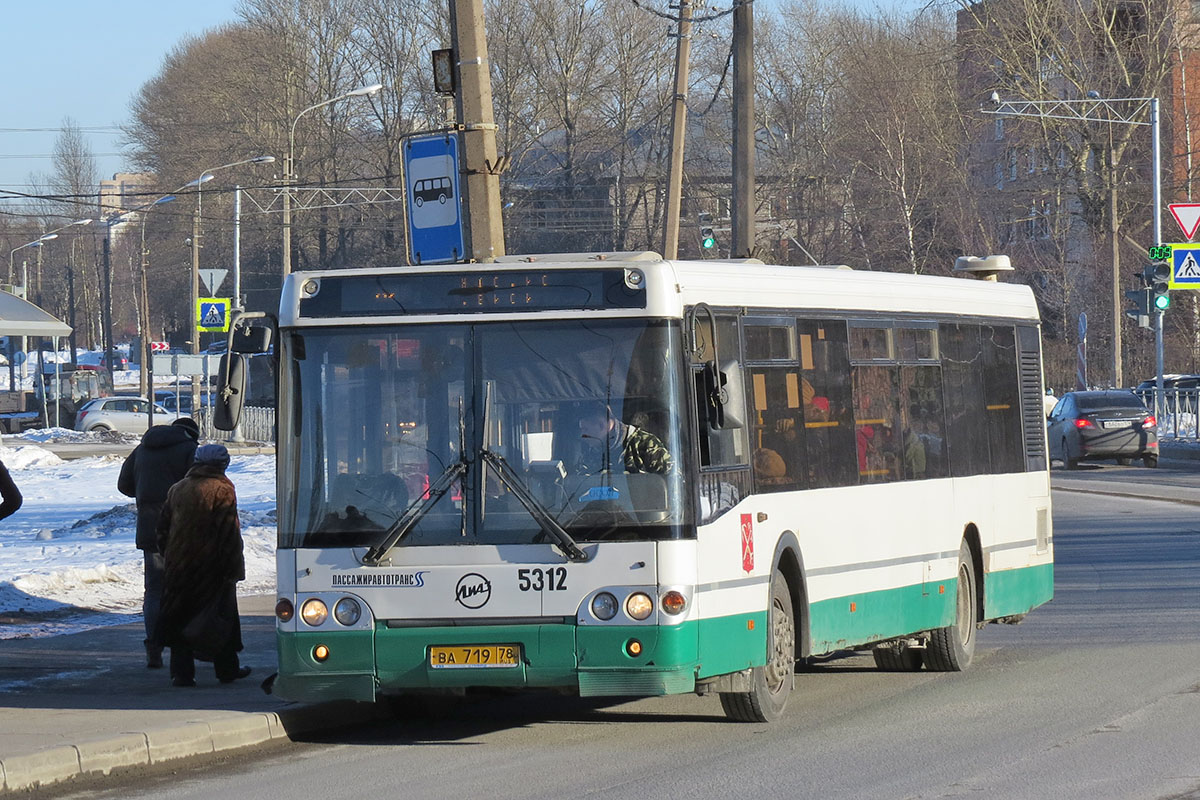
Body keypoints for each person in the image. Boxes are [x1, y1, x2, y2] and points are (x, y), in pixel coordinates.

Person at [154, 444, 251, 687]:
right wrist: (233, 569)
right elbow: (228, 532)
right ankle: (227, 670)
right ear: (222, 465)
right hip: (211, 567)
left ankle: (181, 674)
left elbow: (162, 529)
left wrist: (171, 556)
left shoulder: (178, 488)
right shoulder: (222, 489)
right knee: (220, 618)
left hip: (179, 566)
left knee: (180, 618)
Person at [117, 417, 200, 669]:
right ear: (192, 435)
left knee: (154, 590)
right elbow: (199, 487)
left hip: (150, 530)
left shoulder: (142, 449)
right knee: (185, 590)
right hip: (182, 530)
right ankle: (182, 646)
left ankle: (154, 645)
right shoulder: (190, 450)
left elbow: (124, 485)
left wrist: (146, 494)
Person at [577, 406, 673, 475]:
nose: (582, 435)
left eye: (585, 429)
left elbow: (673, 483)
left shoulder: (646, 445)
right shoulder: (590, 453)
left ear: (601, 425)